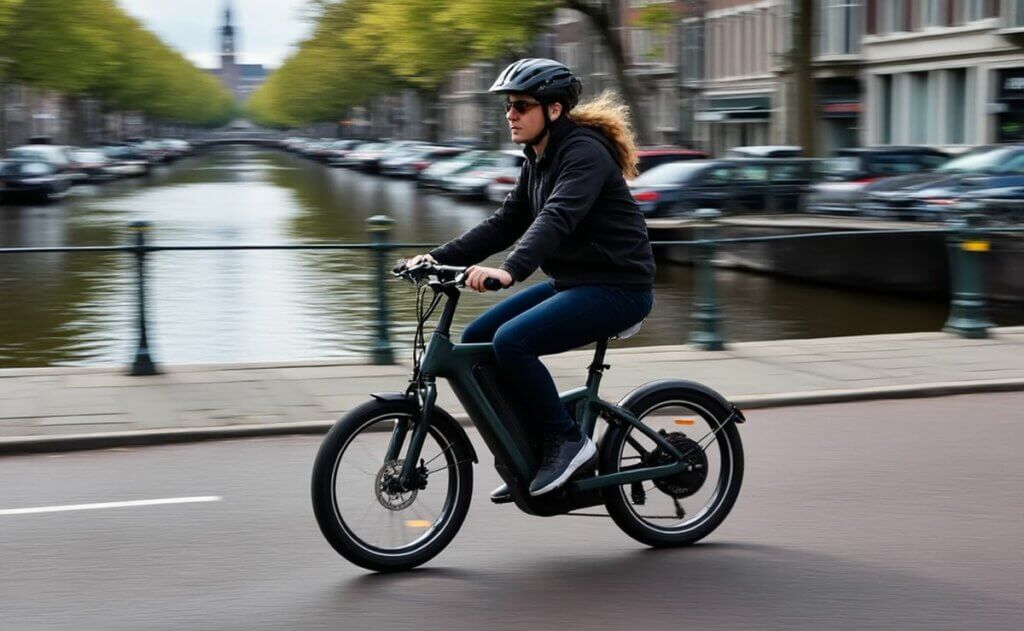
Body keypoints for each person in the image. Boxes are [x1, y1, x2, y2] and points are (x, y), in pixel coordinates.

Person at [408, 58, 655, 500]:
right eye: (508, 107)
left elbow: (558, 217)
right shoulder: (537, 160)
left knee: (513, 341)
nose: (511, 115)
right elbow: (504, 224)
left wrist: (509, 270)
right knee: (478, 336)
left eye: (521, 105)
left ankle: (566, 441)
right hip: (574, 282)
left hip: (620, 287)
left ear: (553, 110)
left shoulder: (584, 154)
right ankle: (529, 448)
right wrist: (434, 258)